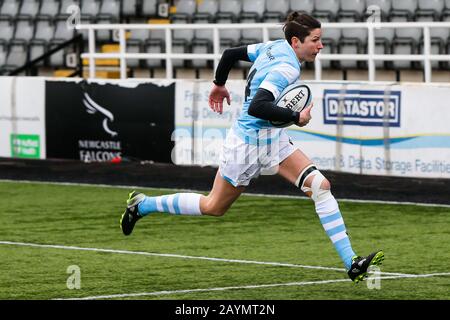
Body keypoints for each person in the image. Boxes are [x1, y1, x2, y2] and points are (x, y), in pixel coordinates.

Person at [120, 12, 384, 283]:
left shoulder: (274, 47)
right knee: (214, 206)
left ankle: (351, 262)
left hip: (273, 137)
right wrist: (297, 117)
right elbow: (259, 106)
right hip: (247, 144)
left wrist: (219, 85)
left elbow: (230, 53)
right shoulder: (287, 68)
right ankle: (143, 205)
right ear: (296, 41)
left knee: (320, 186)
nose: (321, 46)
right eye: (315, 40)